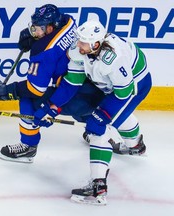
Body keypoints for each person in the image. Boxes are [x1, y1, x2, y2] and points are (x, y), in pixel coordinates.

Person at [33, 19, 152, 205]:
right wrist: (52, 107)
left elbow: (124, 93)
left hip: (133, 87)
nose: (78, 45)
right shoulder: (81, 49)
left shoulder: (114, 58)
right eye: (79, 40)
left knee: (98, 128)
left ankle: (98, 187)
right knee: (108, 120)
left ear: (96, 44)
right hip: (113, 86)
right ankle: (136, 145)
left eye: (83, 42)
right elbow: (71, 82)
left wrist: (101, 118)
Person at [0, 4, 103, 163]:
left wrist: (9, 90)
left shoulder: (44, 51)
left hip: (75, 95)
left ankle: (28, 146)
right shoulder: (68, 22)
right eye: (33, 27)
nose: (35, 31)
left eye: (39, 28)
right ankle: (128, 140)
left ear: (50, 28)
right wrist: (33, 35)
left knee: (29, 99)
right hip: (98, 91)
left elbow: (35, 89)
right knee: (84, 108)